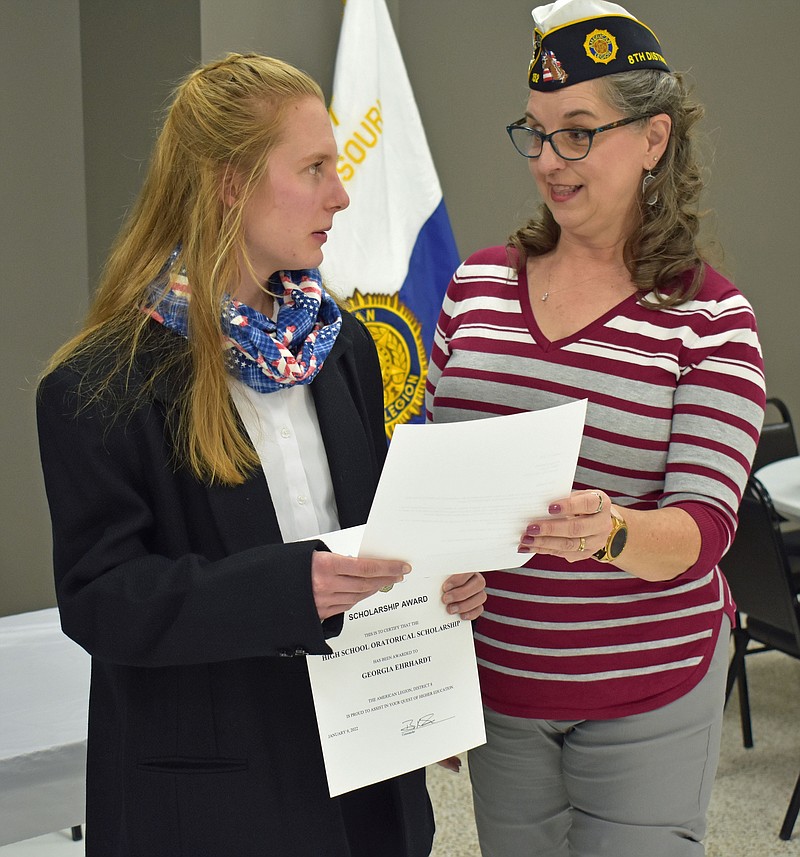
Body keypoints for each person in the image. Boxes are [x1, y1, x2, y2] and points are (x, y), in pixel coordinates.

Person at [36, 53, 486, 857]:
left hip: (369, 770)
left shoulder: (340, 344)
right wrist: (290, 587)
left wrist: (432, 607)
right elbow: (102, 599)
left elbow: (376, 532)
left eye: (339, 169)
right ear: (229, 183)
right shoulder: (97, 383)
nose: (341, 195)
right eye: (314, 168)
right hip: (212, 800)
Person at [426, 2, 766, 855]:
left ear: (654, 139)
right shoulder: (475, 288)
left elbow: (703, 531)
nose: (549, 160)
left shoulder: (710, 319)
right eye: (535, 133)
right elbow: (436, 484)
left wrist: (611, 532)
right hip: (502, 681)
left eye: (577, 133)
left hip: (646, 686)